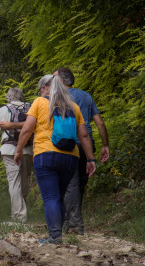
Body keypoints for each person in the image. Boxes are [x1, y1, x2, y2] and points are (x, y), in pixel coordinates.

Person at [14, 74, 96, 244]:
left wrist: (18, 150)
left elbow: (26, 130)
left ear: (45, 88)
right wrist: (90, 159)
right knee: (59, 197)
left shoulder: (40, 102)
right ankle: (57, 234)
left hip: (46, 155)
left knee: (50, 197)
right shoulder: (73, 106)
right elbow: (84, 135)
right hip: (70, 157)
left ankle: (55, 236)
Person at [53, 67, 110, 235]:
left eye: (54, 79)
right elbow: (99, 123)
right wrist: (105, 145)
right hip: (87, 145)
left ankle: (72, 223)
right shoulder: (86, 96)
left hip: (68, 144)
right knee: (80, 184)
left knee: (70, 184)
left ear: (62, 81)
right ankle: (71, 220)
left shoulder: (56, 98)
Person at [0, 87, 33, 223]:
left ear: (8, 98)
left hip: (9, 150)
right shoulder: (31, 107)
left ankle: (19, 217)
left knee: (14, 182)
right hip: (28, 150)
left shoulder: (4, 110)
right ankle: (21, 213)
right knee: (24, 182)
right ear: (22, 97)